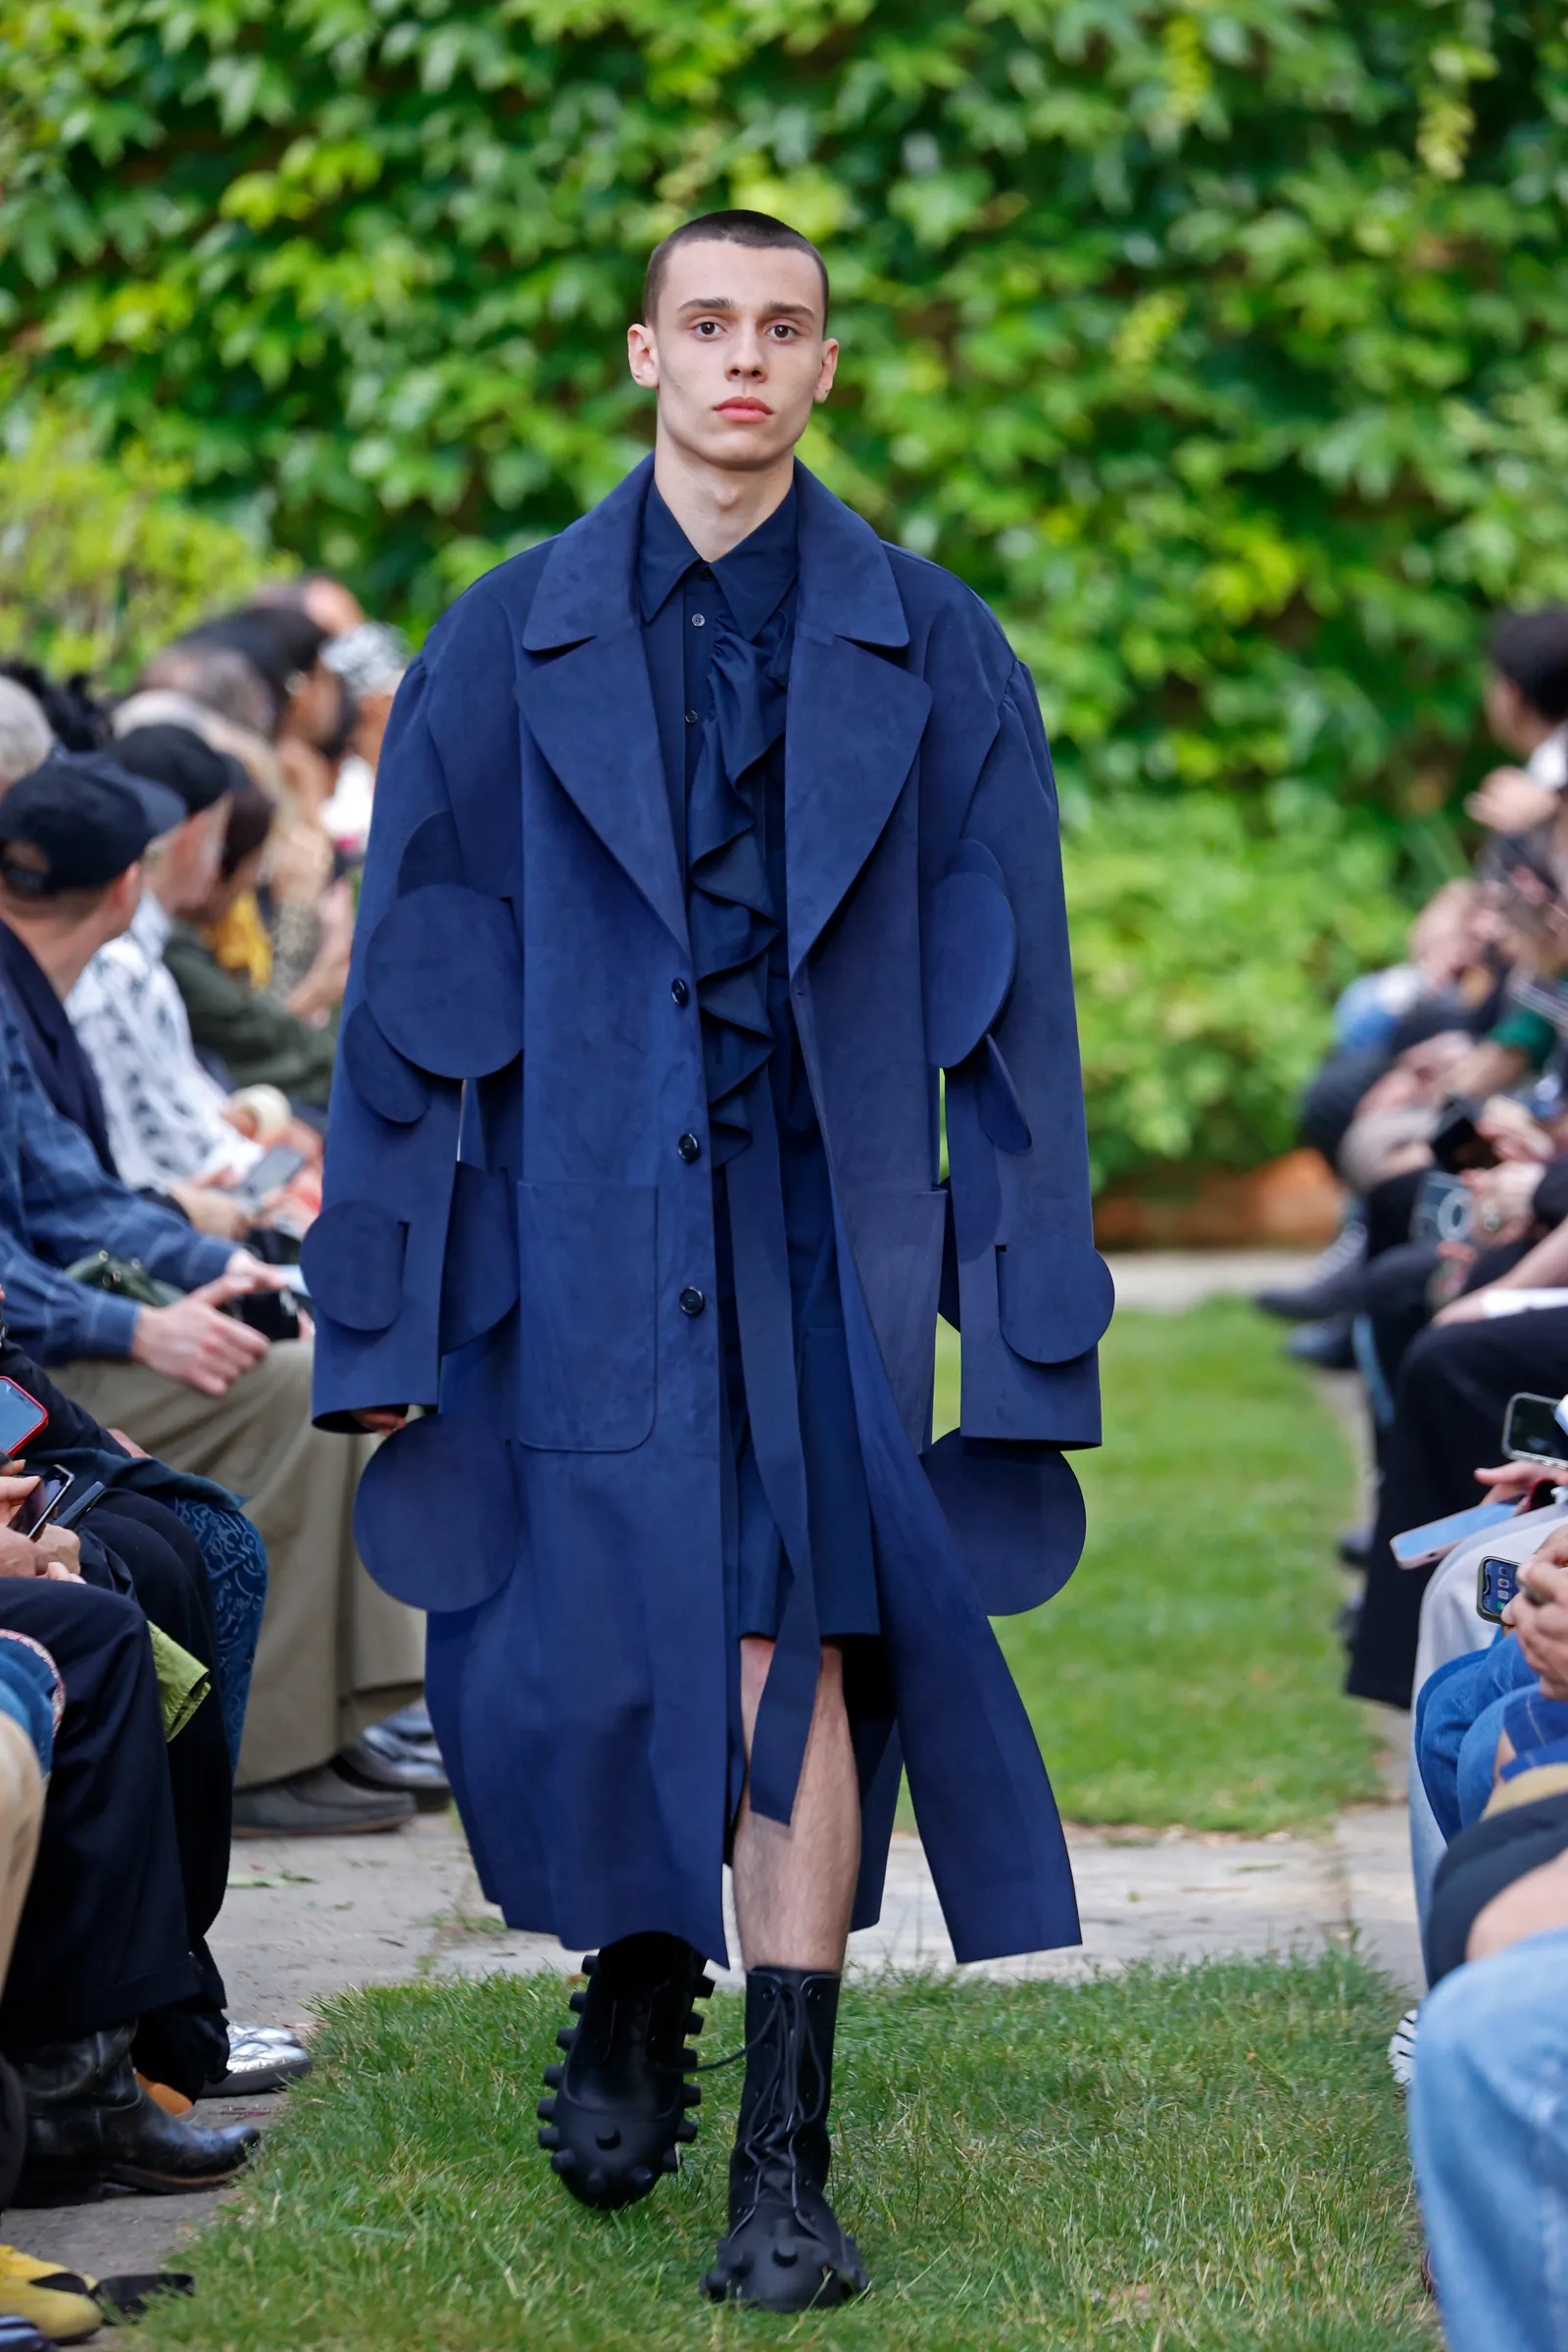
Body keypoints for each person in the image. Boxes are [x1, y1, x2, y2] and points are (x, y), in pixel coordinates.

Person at [312, 209, 1107, 2311]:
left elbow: (1014, 1010)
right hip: (577, 1219)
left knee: (789, 1652)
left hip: (823, 1232)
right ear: (644, 353)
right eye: (708, 324)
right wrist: (383, 1304)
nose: (743, 360)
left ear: (826, 368)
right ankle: (639, 1959)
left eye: (785, 328)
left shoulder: (935, 650)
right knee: (585, 1642)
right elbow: (406, 993)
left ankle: (784, 2157)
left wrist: (1022, 1333)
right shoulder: (497, 643)